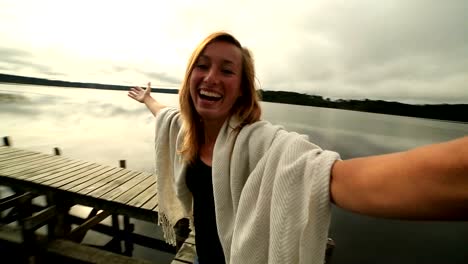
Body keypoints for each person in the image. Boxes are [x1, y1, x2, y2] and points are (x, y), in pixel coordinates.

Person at [128, 31, 468, 264]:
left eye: (227, 70)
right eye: (202, 66)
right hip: (204, 255)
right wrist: (148, 100)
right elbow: (166, 116)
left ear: (243, 91)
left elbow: (333, 178)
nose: (211, 76)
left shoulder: (263, 145)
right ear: (189, 78)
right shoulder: (186, 131)